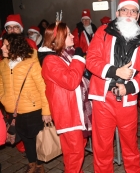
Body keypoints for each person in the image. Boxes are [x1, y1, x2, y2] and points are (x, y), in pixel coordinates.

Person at [86, 0, 140, 172]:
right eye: (125, 10)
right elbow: (91, 61)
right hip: (102, 99)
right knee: (102, 147)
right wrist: (116, 71)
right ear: (118, 12)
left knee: (130, 147)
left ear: (138, 15)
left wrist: (128, 86)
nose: (129, 14)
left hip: (128, 100)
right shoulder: (102, 32)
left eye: (133, 11)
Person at [40, 20, 92, 173]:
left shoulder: (65, 55)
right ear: (59, 38)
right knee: (74, 153)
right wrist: (78, 58)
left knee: (78, 150)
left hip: (78, 112)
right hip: (68, 114)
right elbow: (71, 81)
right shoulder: (50, 61)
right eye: (68, 34)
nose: (73, 36)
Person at [0, 33, 51, 173]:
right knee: (25, 138)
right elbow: (0, 84)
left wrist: (46, 111)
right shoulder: (3, 64)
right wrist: (3, 97)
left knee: (35, 138)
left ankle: (39, 164)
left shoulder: (31, 63)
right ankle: (32, 162)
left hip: (32, 109)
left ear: (15, 47)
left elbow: (43, 87)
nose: (2, 47)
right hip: (13, 110)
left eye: (6, 45)